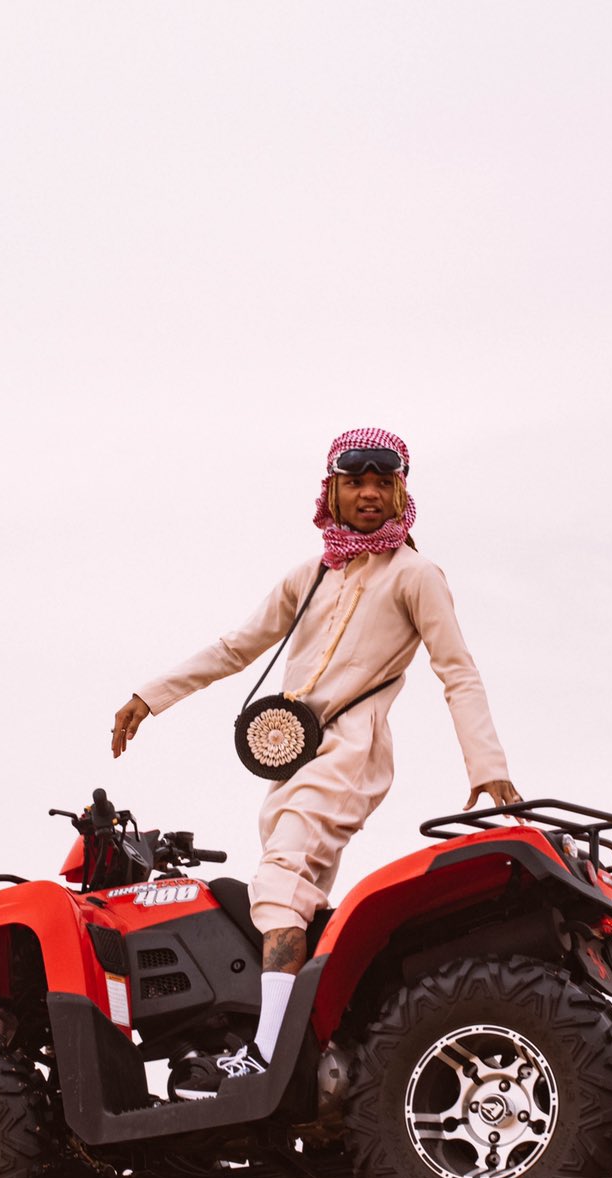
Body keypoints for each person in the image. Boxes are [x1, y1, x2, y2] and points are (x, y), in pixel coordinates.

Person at [109, 427, 521, 1098]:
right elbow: (238, 646)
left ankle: (268, 1058)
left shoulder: (415, 575)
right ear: (330, 490)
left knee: (278, 881)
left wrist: (486, 765)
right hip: (290, 759)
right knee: (296, 899)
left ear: (399, 491)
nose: (366, 495)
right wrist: (149, 697)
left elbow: (459, 673)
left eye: (380, 484)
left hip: (350, 751)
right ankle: (319, 1042)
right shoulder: (310, 576)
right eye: (353, 482)